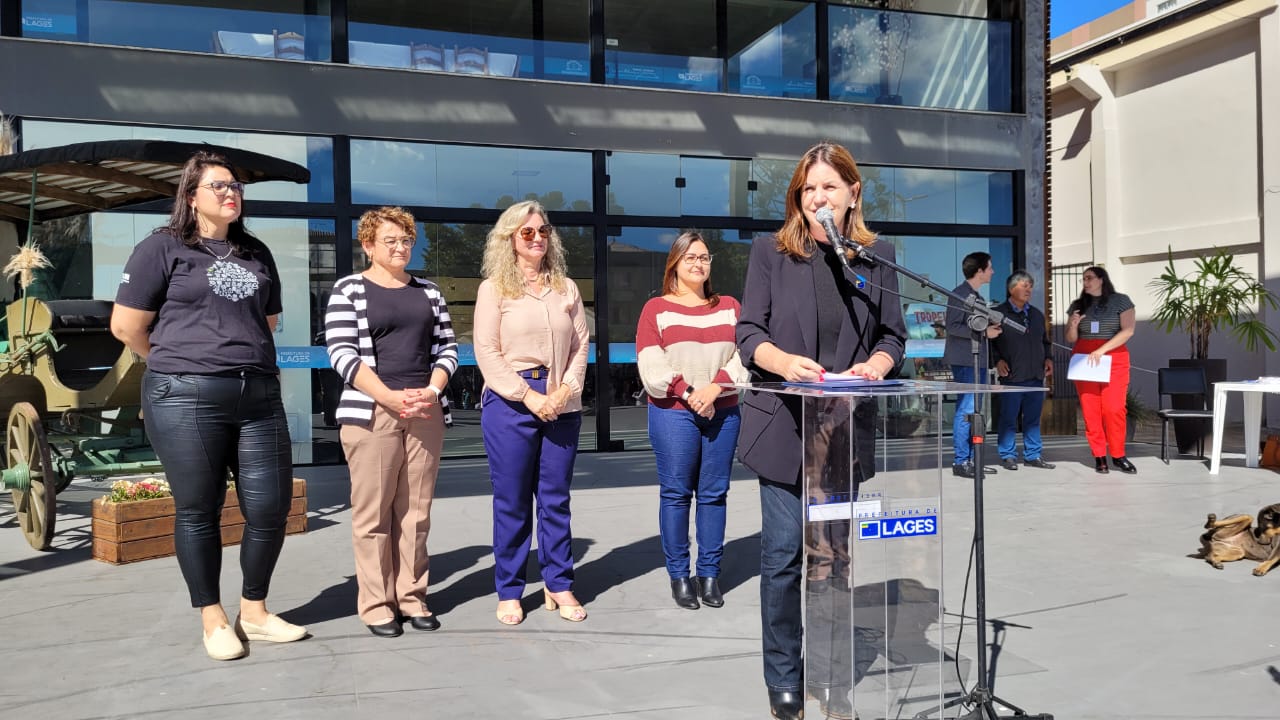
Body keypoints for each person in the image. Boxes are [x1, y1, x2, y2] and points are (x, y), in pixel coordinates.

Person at [110, 151, 306, 661]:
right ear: (191, 196)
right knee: (200, 509)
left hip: (258, 396)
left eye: (236, 186)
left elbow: (267, 322)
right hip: (186, 396)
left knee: (270, 507)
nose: (231, 193)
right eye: (219, 186)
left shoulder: (256, 251)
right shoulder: (161, 248)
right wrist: (177, 363)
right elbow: (126, 327)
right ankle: (213, 618)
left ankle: (255, 613)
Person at [736, 142, 907, 720]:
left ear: (853, 193)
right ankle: (784, 674)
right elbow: (747, 333)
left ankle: (832, 677)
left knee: (834, 560)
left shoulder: (877, 256)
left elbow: (893, 337)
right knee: (784, 556)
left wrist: (875, 367)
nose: (817, 198)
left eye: (829, 187)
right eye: (809, 189)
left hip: (843, 430)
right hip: (784, 427)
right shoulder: (770, 252)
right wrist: (783, 363)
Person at [325, 206, 459, 638]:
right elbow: (341, 353)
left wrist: (433, 391)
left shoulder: (429, 292)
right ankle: (377, 604)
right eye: (391, 241)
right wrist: (388, 397)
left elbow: (448, 350)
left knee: (416, 514)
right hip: (372, 413)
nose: (401, 248)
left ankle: (412, 597)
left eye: (406, 240)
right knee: (373, 516)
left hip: (424, 412)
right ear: (368, 245)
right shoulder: (348, 290)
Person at [474, 200, 591, 625]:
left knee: (556, 500)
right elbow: (486, 350)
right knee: (513, 502)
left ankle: (558, 583)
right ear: (510, 239)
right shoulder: (494, 289)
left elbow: (580, 346)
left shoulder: (567, 289)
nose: (538, 237)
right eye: (527, 232)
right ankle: (509, 588)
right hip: (511, 402)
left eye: (543, 231)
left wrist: (564, 390)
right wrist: (529, 396)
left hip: (562, 400)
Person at [636, 231, 749, 611]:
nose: (699, 264)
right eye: (690, 258)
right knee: (677, 494)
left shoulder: (731, 307)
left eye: (704, 257)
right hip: (674, 413)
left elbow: (744, 357)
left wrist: (715, 390)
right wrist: (689, 393)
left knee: (715, 495)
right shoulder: (656, 310)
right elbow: (652, 367)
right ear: (675, 264)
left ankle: (710, 574)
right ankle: (680, 576)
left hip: (723, 410)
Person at [1065, 265, 1137, 474]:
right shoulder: (1078, 305)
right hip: (1085, 358)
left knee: (1114, 408)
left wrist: (1102, 350)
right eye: (1083, 279)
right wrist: (1074, 325)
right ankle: (1099, 456)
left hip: (1113, 357)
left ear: (1101, 280)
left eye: (1089, 278)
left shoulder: (1121, 301)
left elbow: (1128, 331)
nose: (1085, 282)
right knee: (1090, 410)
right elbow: (1070, 338)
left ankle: (1118, 454)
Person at [944, 251, 1003, 478]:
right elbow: (953, 326)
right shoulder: (960, 295)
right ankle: (962, 461)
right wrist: (984, 331)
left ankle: (971, 460)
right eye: (989, 267)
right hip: (965, 361)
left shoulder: (975, 296)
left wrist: (989, 329)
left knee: (975, 411)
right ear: (979, 271)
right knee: (967, 410)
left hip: (976, 361)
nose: (993, 271)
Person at [990, 271, 1055, 471]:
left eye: (1030, 286)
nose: (1028, 289)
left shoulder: (1036, 314)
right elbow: (989, 343)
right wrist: (997, 360)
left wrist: (1048, 358)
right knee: (1009, 418)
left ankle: (1033, 455)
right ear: (1011, 289)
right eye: (1024, 285)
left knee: (1033, 420)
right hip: (1012, 376)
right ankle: (1008, 455)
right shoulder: (998, 313)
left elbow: (1044, 341)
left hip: (1035, 376)